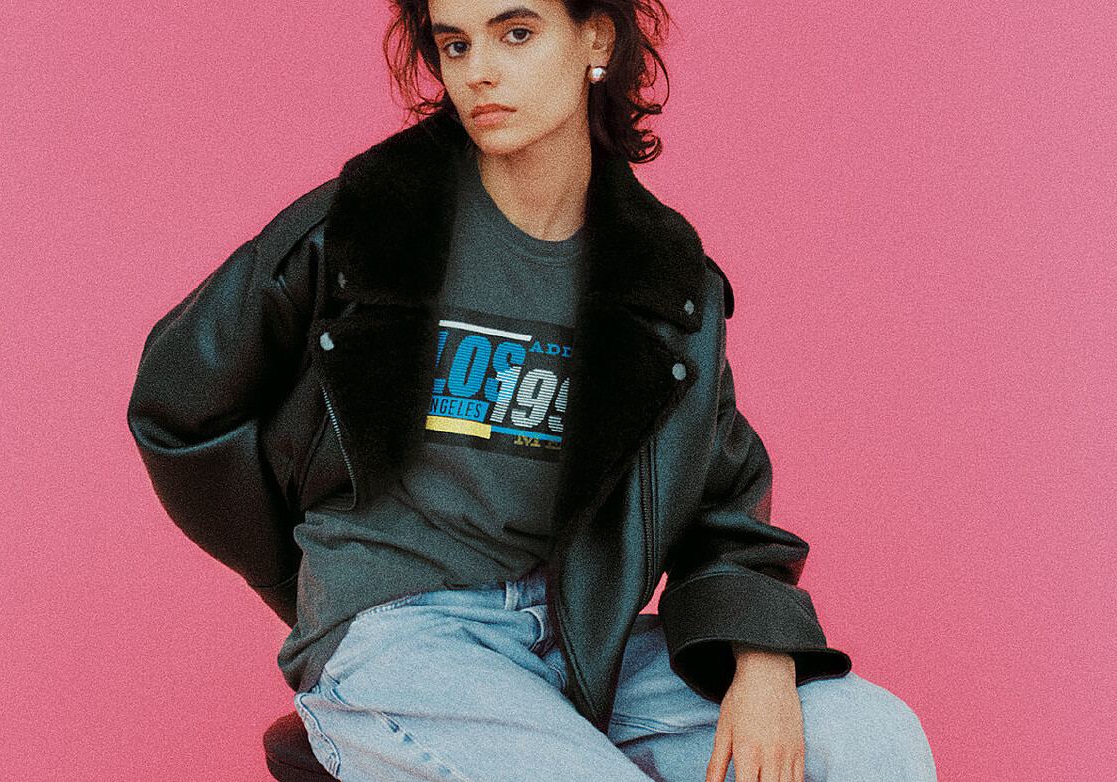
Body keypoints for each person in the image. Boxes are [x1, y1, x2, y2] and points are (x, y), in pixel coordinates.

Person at [128, 0, 937, 779]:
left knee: (867, 738)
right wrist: (318, 585)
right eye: (455, 43)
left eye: (515, 33)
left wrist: (760, 663)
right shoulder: (363, 227)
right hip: (401, 639)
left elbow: (721, 505)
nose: (478, 70)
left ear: (596, 40)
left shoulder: (664, 282)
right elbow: (178, 404)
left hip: (580, 640)